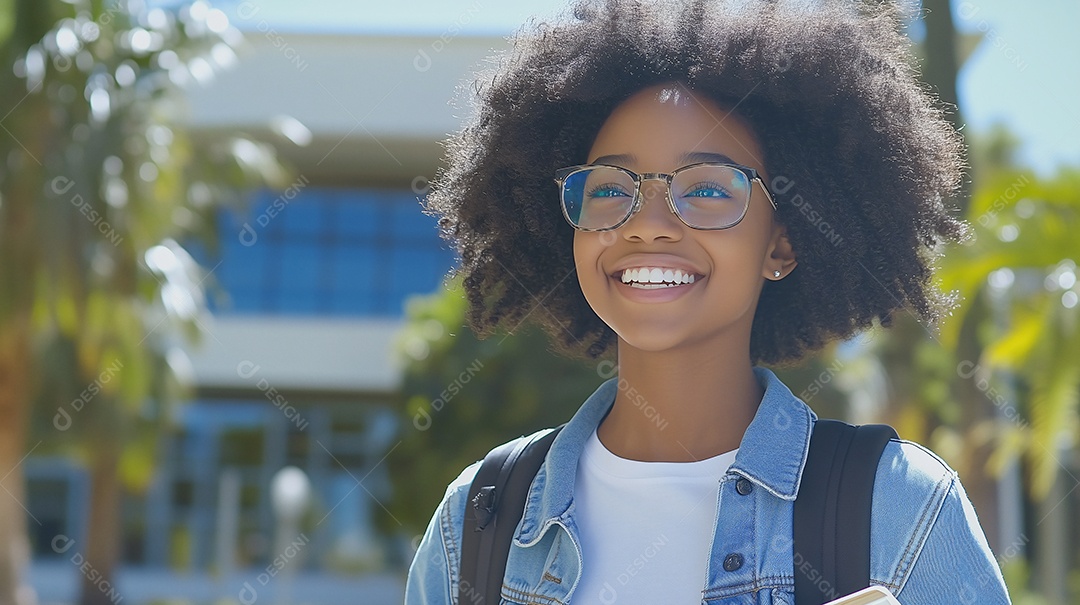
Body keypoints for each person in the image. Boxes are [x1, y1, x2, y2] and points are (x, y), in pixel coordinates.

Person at [405, 0, 1011, 603]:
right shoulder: (479, 519)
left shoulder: (896, 506)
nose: (647, 223)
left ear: (783, 244)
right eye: (611, 188)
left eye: (708, 189)